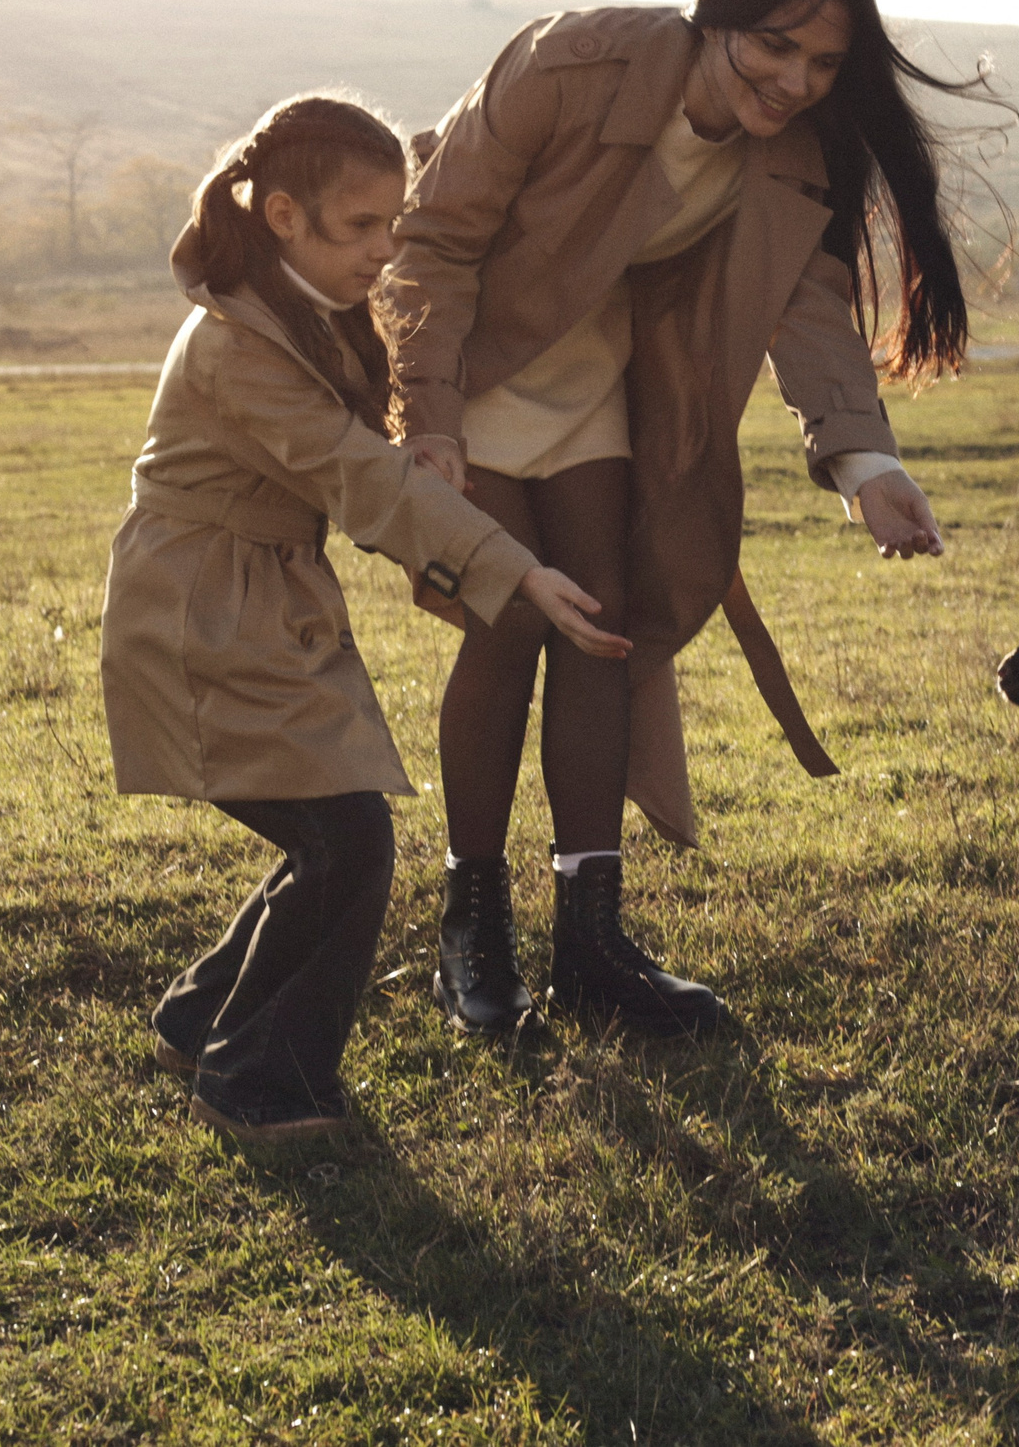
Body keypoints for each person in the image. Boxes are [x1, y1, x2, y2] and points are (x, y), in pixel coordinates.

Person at [382, 0, 991, 1038]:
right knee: (511, 623)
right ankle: (472, 928)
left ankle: (591, 941)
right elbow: (433, 239)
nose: (793, 81)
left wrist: (864, 464)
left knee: (602, 628)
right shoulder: (568, 63)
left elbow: (804, 307)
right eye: (771, 45)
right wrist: (428, 415)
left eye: (822, 61)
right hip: (470, 370)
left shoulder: (797, 151)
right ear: (715, 15)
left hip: (602, 384)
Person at [99, 92, 628, 1141]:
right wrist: (516, 571)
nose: (385, 252)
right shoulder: (236, 345)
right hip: (200, 610)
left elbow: (377, 443)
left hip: (258, 600)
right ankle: (255, 1082)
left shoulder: (301, 302)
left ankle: (201, 1019)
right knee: (345, 841)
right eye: (362, 228)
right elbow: (355, 475)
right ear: (281, 215)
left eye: (395, 224)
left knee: (331, 837)